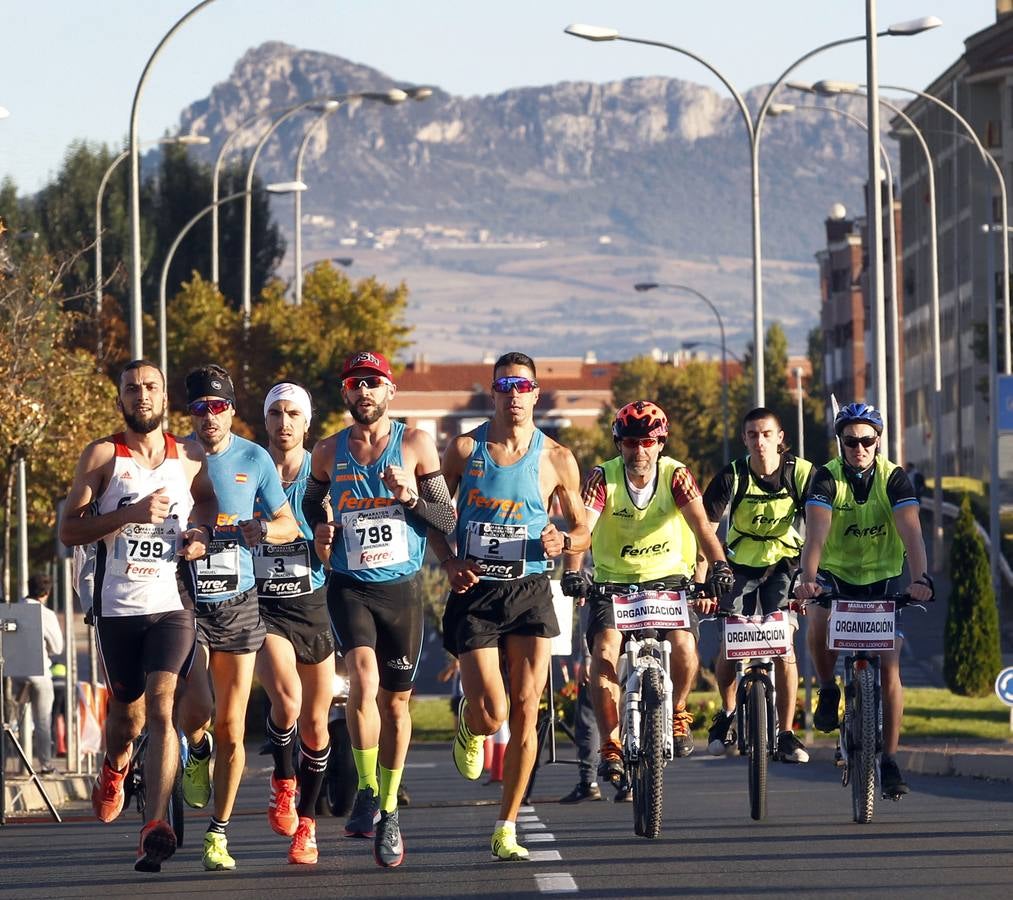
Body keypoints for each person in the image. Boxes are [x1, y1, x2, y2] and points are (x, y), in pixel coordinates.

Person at [429, 351, 590, 862]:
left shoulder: (557, 457)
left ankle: (507, 824)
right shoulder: (462, 449)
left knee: (525, 710)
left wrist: (562, 542)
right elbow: (433, 514)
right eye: (506, 386)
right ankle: (470, 722)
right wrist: (449, 561)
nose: (514, 395)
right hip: (476, 590)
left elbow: (584, 529)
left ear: (536, 394)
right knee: (492, 709)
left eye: (523, 387)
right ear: (493, 392)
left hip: (530, 590)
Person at [59, 359, 216, 873]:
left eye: (150, 387)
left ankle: (155, 825)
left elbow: (209, 504)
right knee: (127, 716)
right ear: (121, 399)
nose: (142, 395)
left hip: (172, 606)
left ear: (164, 394)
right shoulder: (104, 455)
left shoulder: (190, 456)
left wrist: (201, 536)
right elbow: (69, 530)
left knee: (165, 707)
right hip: (117, 609)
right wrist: (127, 513)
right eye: (132, 389)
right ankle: (115, 765)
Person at [303, 350, 454, 868]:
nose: (363, 392)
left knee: (395, 703)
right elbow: (310, 503)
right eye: (354, 384)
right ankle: (369, 790)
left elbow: (447, 518)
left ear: (390, 391)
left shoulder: (415, 443)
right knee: (362, 681)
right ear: (344, 394)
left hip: (402, 590)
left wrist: (410, 497)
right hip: (349, 585)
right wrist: (321, 524)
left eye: (373, 383)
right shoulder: (327, 451)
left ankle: (390, 807)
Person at [561, 400, 731, 793]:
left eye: (649, 443)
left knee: (685, 645)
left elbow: (703, 528)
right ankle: (611, 744)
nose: (640, 451)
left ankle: (678, 710)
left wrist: (718, 565)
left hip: (668, 580)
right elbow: (583, 529)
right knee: (603, 651)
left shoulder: (677, 476)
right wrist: (573, 573)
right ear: (619, 443)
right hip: (614, 582)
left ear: (661, 443)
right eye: (631, 442)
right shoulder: (603, 477)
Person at [177, 365, 300, 872]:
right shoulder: (174, 456)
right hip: (183, 599)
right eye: (201, 407)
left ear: (232, 410)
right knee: (199, 711)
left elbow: (287, 522)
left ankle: (218, 833)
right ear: (191, 413)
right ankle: (195, 747)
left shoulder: (255, 457)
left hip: (238, 600)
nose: (210, 416)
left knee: (232, 725)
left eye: (219, 406)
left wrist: (262, 531)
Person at [794, 403, 934, 799]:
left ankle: (889, 759)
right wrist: (808, 580)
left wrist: (920, 579)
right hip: (836, 573)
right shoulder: (826, 478)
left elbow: (913, 535)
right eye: (851, 441)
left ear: (878, 441)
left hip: (883, 576)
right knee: (817, 620)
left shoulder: (894, 479)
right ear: (840, 442)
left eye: (866, 440)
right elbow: (815, 538)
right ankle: (827, 689)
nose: (859, 448)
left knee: (890, 664)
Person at [700, 408, 813, 764]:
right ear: (745, 439)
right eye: (752, 435)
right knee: (730, 642)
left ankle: (786, 732)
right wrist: (704, 580)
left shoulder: (802, 474)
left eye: (767, 434)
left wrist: (813, 578)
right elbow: (704, 530)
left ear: (781, 438)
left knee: (785, 646)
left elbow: (821, 528)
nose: (760, 442)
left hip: (784, 565)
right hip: (738, 565)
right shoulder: (732, 475)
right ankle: (728, 712)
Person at [254, 383, 336, 865]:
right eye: (276, 414)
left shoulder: (320, 471)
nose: (284, 423)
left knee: (316, 725)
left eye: (293, 415)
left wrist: (329, 541)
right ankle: (283, 779)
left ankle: (306, 824)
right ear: (265, 421)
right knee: (286, 700)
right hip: (264, 606)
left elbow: (339, 535)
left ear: (307, 422)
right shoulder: (249, 469)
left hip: (313, 602)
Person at [16, 574, 63, 774]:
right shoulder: (46, 614)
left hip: (14, 673)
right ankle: (45, 765)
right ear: (47, 593)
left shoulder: (13, 610)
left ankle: (13, 761)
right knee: (42, 720)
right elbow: (57, 647)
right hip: (40, 672)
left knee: (11, 721)